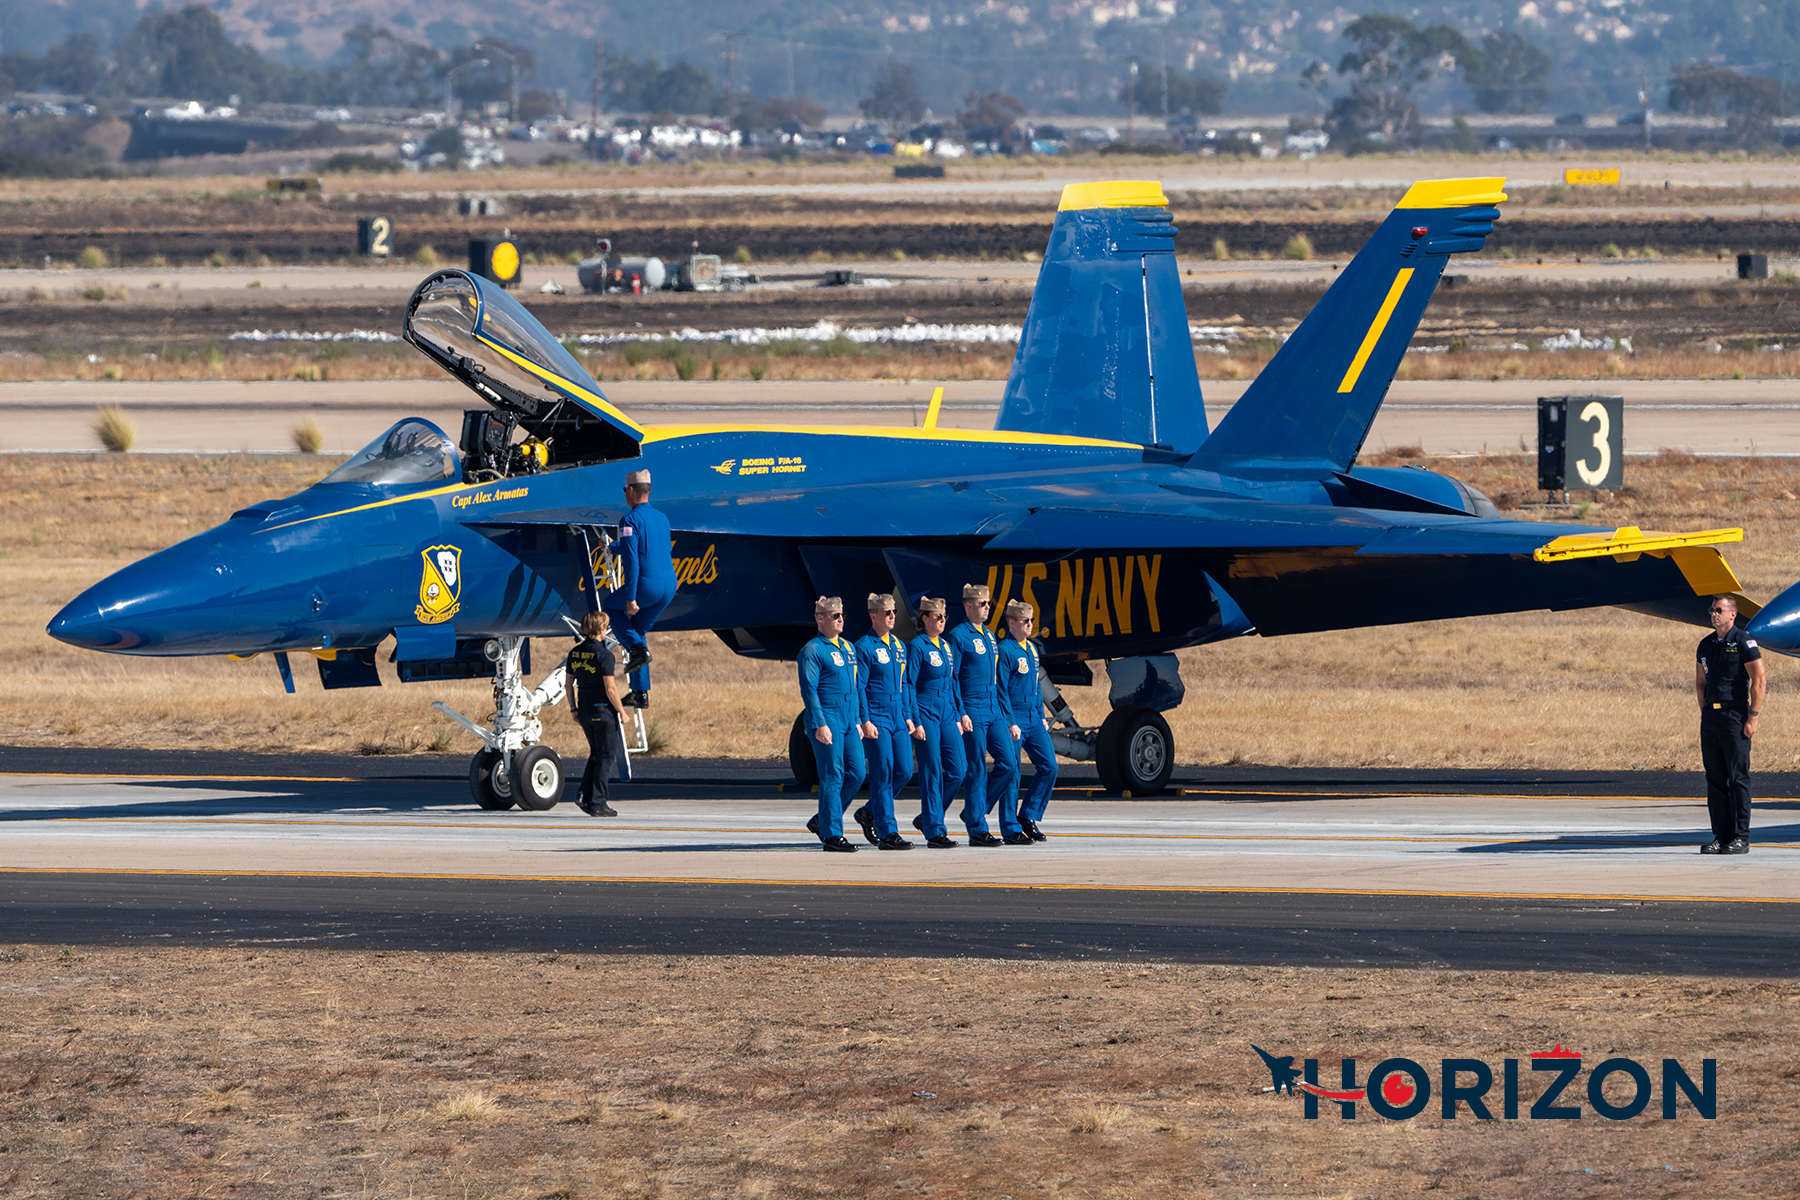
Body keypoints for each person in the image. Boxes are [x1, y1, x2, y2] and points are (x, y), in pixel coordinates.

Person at [947, 583, 1027, 847]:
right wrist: (960, 712)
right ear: (968, 606)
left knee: (1009, 764)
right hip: (972, 708)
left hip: (993, 710)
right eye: (982, 604)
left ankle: (975, 810)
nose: (987, 608)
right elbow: (953, 678)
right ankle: (977, 829)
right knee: (977, 769)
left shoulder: (990, 636)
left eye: (988, 604)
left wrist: (1004, 714)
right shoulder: (959, 636)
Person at [798, 595, 872, 852]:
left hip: (849, 719)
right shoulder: (812, 650)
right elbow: (809, 689)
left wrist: (860, 719)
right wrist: (819, 723)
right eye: (835, 616)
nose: (840, 620)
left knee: (857, 773)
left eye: (842, 615)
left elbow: (855, 687)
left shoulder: (849, 648)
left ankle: (824, 819)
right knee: (833, 776)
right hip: (827, 717)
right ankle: (832, 835)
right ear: (821, 619)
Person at [1696, 594, 1765, 855]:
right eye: (1712, 610)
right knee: (1715, 778)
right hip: (1711, 718)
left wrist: (1753, 715)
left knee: (1737, 778)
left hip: (1735, 716)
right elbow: (1700, 682)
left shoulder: (1744, 642)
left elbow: (1759, 679)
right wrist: (1706, 711)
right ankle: (1721, 835)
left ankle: (1740, 837)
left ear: (1732, 615)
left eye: (1719, 610)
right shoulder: (1705, 645)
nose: (1714, 614)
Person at [607, 467, 675, 709]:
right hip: (669, 586)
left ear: (632, 490)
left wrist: (630, 596)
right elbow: (649, 547)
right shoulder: (662, 517)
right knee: (637, 629)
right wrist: (613, 546)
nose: (625, 494)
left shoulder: (630, 519)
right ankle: (640, 693)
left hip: (648, 585)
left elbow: (632, 560)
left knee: (610, 608)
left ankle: (636, 650)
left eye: (625, 490)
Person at [853, 593, 917, 850]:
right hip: (877, 715)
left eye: (894, 612)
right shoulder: (864, 646)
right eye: (887, 613)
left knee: (904, 770)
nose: (892, 617)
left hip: (898, 716)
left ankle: (869, 811)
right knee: (883, 772)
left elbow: (905, 685)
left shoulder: (899, 646)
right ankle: (888, 832)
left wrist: (909, 715)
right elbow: (860, 687)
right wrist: (865, 719)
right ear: (873, 615)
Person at [907, 597, 966, 848]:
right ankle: (934, 831)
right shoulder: (917, 646)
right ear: (924, 619)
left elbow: (953, 683)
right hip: (926, 711)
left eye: (944, 617)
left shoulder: (946, 646)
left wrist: (959, 714)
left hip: (947, 713)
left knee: (958, 770)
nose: (942, 621)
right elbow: (908, 683)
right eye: (937, 617)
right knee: (932, 772)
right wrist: (915, 720)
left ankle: (929, 816)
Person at [997, 599, 1056, 841]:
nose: (1030, 625)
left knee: (1050, 766)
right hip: (1014, 717)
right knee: (1012, 772)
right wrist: (1009, 721)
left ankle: (1028, 814)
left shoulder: (1032, 649)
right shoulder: (1005, 650)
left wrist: (1042, 716)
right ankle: (1010, 827)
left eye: (1031, 621)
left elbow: (1036, 686)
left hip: (1033, 717)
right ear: (1012, 623)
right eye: (1024, 621)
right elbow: (1000, 689)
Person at [565, 609, 625, 817]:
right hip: (602, 710)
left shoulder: (575, 652)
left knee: (596, 753)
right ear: (601, 629)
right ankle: (598, 802)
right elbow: (610, 688)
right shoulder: (605, 655)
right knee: (606, 756)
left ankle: (584, 795)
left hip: (583, 709)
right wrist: (622, 711)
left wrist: (573, 708)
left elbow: (568, 684)